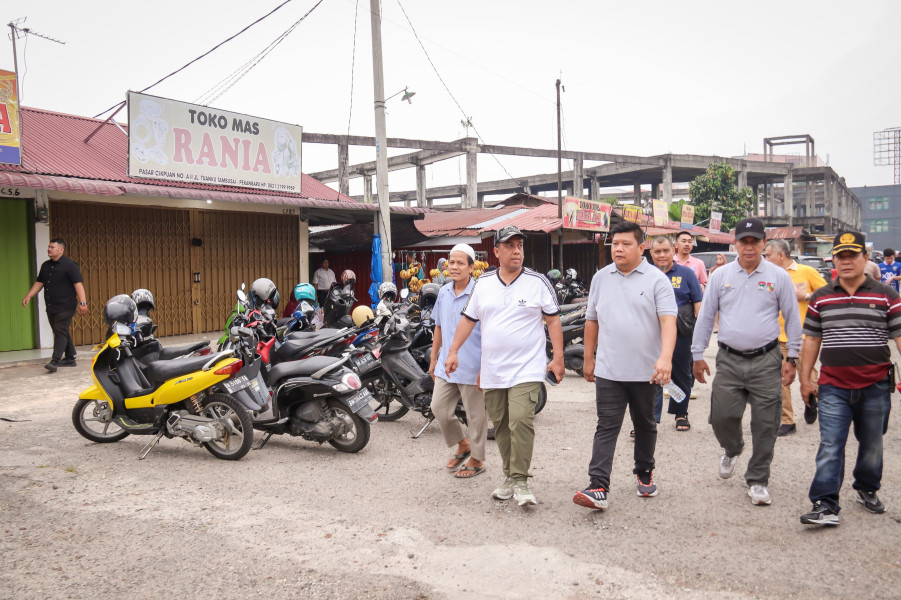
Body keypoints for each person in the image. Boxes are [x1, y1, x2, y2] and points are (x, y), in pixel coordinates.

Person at [445, 225, 564, 507]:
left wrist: (557, 358)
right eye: (509, 246)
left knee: (521, 419)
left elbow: (553, 320)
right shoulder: (483, 284)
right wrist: (453, 352)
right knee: (500, 425)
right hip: (493, 370)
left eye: (519, 245)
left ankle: (521, 480)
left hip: (527, 368)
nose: (516, 250)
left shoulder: (537, 282)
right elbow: (468, 320)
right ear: (497, 252)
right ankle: (509, 477)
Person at [692, 218, 802, 506]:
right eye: (744, 241)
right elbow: (706, 317)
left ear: (764, 243)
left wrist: (793, 357)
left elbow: (792, 318)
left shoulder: (779, 277)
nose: (749, 246)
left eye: (755, 241)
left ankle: (757, 479)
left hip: (767, 360)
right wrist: (697, 354)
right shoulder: (720, 276)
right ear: (735, 244)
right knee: (721, 416)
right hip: (728, 359)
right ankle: (733, 448)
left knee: (766, 424)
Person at [572, 223, 677, 511]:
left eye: (625, 243)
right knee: (606, 426)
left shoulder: (657, 280)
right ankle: (598, 485)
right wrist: (589, 358)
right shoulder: (601, 278)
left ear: (641, 247)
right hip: (609, 370)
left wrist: (665, 357)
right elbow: (591, 320)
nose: (617, 248)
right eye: (614, 243)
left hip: (646, 371)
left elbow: (668, 321)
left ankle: (644, 471)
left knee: (645, 424)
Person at [799, 231, 900, 526]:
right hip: (833, 386)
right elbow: (811, 341)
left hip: (876, 384)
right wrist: (806, 380)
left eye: (851, 255)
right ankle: (825, 503)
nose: (845, 261)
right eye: (840, 256)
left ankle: (866, 488)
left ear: (865, 258)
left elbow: (899, 336)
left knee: (871, 444)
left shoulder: (886, 295)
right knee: (830, 444)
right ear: (834, 261)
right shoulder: (821, 297)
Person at [428, 244, 487, 479]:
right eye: (451, 262)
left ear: (472, 268)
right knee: (438, 408)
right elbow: (439, 326)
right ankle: (463, 444)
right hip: (446, 364)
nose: (454, 267)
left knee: (475, 416)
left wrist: (486, 366)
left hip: (472, 364)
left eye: (460, 263)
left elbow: (489, 333)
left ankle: (478, 458)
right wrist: (434, 358)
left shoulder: (480, 294)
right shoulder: (443, 292)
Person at [763, 240, 827, 436]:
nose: (765, 259)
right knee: (781, 379)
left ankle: (810, 399)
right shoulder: (768, 276)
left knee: (807, 376)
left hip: (805, 335)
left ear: (781, 255)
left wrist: (806, 295)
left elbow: (827, 294)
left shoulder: (806, 271)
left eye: (768, 255)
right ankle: (787, 420)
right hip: (778, 336)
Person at [649, 236, 702, 431]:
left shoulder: (686, 274)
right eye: (657, 252)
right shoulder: (646, 274)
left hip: (681, 332)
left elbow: (698, 302)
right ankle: (650, 418)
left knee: (681, 373)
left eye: (665, 251)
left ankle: (681, 414)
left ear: (674, 250)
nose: (662, 255)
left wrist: (700, 332)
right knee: (651, 375)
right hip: (652, 334)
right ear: (651, 253)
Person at [22, 238, 88, 373]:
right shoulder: (45, 265)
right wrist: (29, 295)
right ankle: (70, 358)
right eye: (48, 247)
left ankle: (55, 361)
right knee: (60, 331)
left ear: (61, 250)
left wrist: (83, 303)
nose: (49, 249)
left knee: (60, 330)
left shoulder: (70, 265)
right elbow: (39, 283)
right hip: (51, 305)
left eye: (52, 247)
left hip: (66, 305)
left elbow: (78, 284)